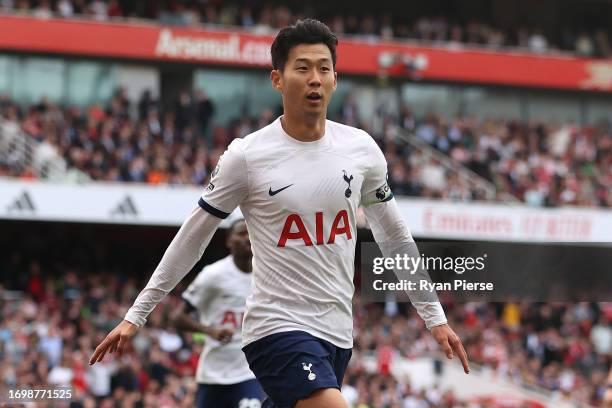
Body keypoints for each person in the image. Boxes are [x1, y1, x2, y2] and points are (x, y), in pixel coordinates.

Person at [90, 19, 470, 408]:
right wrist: (138, 313)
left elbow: (394, 237)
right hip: (275, 327)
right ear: (277, 79)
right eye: (302, 68)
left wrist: (434, 316)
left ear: (335, 79)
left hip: (337, 333)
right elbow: (194, 235)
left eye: (324, 68)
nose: (315, 79)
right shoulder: (248, 156)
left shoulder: (361, 150)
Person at [173, 219, 264, 407]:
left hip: (249, 372)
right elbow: (177, 318)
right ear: (229, 241)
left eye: (250, 232)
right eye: (241, 233)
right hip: (213, 375)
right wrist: (209, 330)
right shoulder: (213, 275)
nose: (247, 238)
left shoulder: (266, 274)